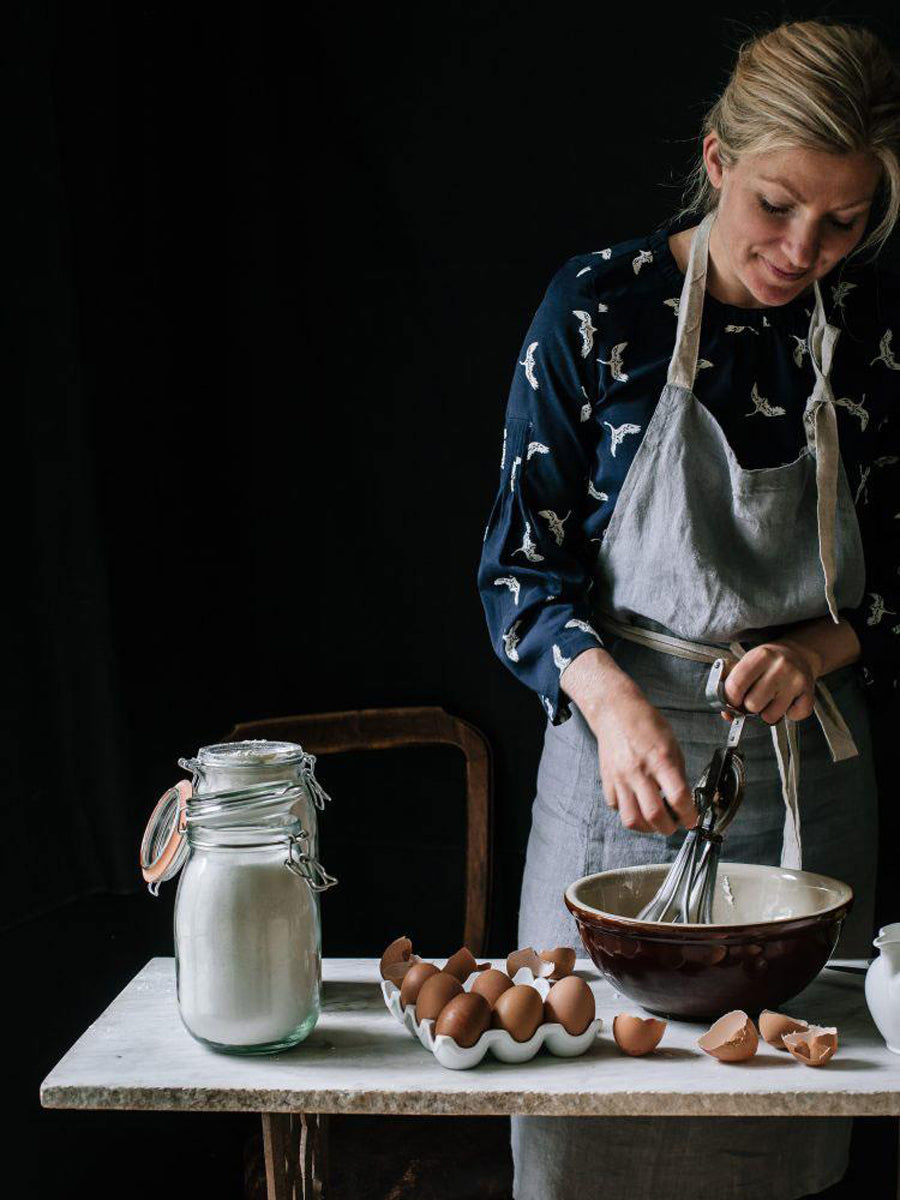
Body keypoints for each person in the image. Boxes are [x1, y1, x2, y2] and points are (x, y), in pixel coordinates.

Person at [477, 17, 900, 1200]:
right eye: (776, 205)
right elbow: (518, 569)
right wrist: (608, 698)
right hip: (621, 793)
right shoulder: (598, 311)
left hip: (804, 789)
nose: (803, 248)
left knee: (778, 1134)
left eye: (845, 220)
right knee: (590, 1126)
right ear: (716, 161)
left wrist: (816, 648)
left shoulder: (872, 338)